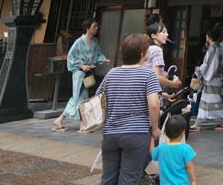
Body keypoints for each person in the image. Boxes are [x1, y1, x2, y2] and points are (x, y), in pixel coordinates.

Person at [97, 33, 162, 185]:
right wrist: (155, 128)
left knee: (108, 178)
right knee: (129, 179)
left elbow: (99, 98)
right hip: (136, 133)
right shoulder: (148, 74)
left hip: (110, 133)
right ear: (141, 54)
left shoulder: (111, 73)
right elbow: (154, 104)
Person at [53, 17, 108, 132]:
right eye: (94, 26)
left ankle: (60, 119)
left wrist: (103, 59)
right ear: (87, 28)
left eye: (97, 26)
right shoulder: (79, 42)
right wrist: (82, 65)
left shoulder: (95, 42)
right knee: (80, 97)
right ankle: (82, 124)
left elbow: (98, 54)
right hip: (79, 73)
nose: (97, 28)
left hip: (87, 73)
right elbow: (71, 56)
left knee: (80, 97)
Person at [190, 28, 223, 131]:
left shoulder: (214, 48)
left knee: (213, 100)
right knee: (208, 100)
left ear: (209, 37)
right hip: (217, 77)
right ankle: (201, 122)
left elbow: (210, 64)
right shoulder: (220, 46)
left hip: (213, 78)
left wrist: (201, 70)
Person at [151, 115, 197, 185]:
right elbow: (189, 166)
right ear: (183, 132)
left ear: (165, 133)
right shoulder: (186, 149)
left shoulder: (161, 148)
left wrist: (152, 138)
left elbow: (152, 154)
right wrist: (193, 181)